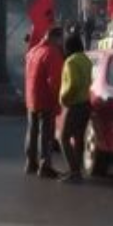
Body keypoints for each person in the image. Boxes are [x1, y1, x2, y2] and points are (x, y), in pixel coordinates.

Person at [24, 26, 65, 178]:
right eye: (61, 38)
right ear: (56, 37)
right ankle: (44, 166)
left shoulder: (33, 51)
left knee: (32, 131)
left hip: (31, 98)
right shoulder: (52, 53)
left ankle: (30, 163)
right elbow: (55, 80)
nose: (62, 42)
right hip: (45, 99)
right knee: (46, 134)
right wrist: (58, 100)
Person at [58, 33, 93, 182]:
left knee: (63, 137)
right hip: (86, 103)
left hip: (74, 104)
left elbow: (73, 84)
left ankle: (74, 171)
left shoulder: (70, 62)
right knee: (78, 138)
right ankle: (77, 171)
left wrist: (64, 98)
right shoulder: (86, 60)